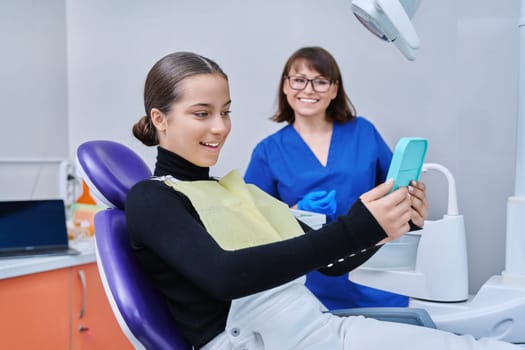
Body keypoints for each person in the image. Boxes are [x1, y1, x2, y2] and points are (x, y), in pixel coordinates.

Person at [126, 51, 518, 349]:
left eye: (226, 112)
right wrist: (356, 227)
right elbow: (226, 277)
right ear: (160, 118)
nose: (220, 127)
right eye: (202, 113)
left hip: (310, 326)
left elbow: (331, 263)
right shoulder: (152, 198)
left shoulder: (234, 190)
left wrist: (387, 225)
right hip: (260, 338)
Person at [244, 46, 408, 310]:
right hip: (309, 285)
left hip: (375, 276)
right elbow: (251, 227)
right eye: (299, 80)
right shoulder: (268, 152)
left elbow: (398, 192)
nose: (308, 90)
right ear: (285, 86)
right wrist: (295, 212)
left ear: (334, 89)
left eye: (320, 81)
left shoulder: (363, 132)